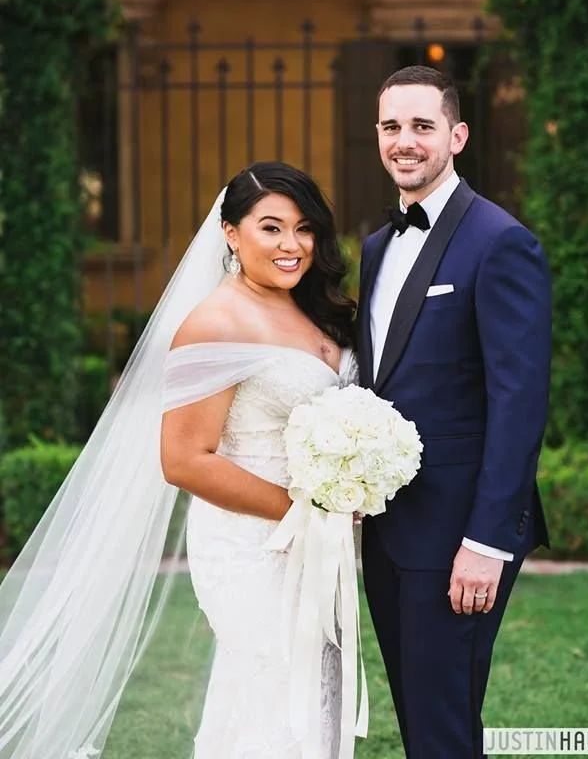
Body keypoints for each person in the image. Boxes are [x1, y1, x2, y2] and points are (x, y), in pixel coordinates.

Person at [0, 161, 357, 759]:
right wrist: (302, 510)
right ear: (230, 232)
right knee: (271, 697)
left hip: (314, 542)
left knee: (309, 696)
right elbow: (184, 460)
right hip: (250, 544)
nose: (291, 245)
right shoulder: (216, 321)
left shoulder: (309, 307)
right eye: (271, 228)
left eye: (304, 228)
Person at [358, 65, 552, 758]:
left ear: (457, 135)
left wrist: (487, 542)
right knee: (422, 720)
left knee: (441, 727)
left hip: (458, 537)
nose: (404, 141)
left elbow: (519, 402)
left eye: (421, 126)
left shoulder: (501, 243)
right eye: (391, 126)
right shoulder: (377, 247)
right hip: (387, 530)